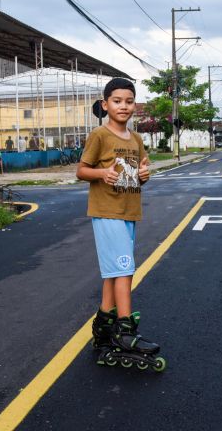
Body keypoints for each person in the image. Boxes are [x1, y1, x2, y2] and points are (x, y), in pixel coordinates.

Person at [76, 78, 164, 370]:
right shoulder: (99, 135)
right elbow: (81, 170)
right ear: (105, 105)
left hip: (129, 212)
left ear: (134, 105)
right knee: (125, 269)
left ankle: (103, 330)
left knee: (114, 273)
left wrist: (144, 175)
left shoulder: (136, 139)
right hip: (107, 211)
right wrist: (102, 174)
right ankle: (125, 331)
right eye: (117, 101)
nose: (123, 106)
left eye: (128, 101)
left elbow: (140, 173)